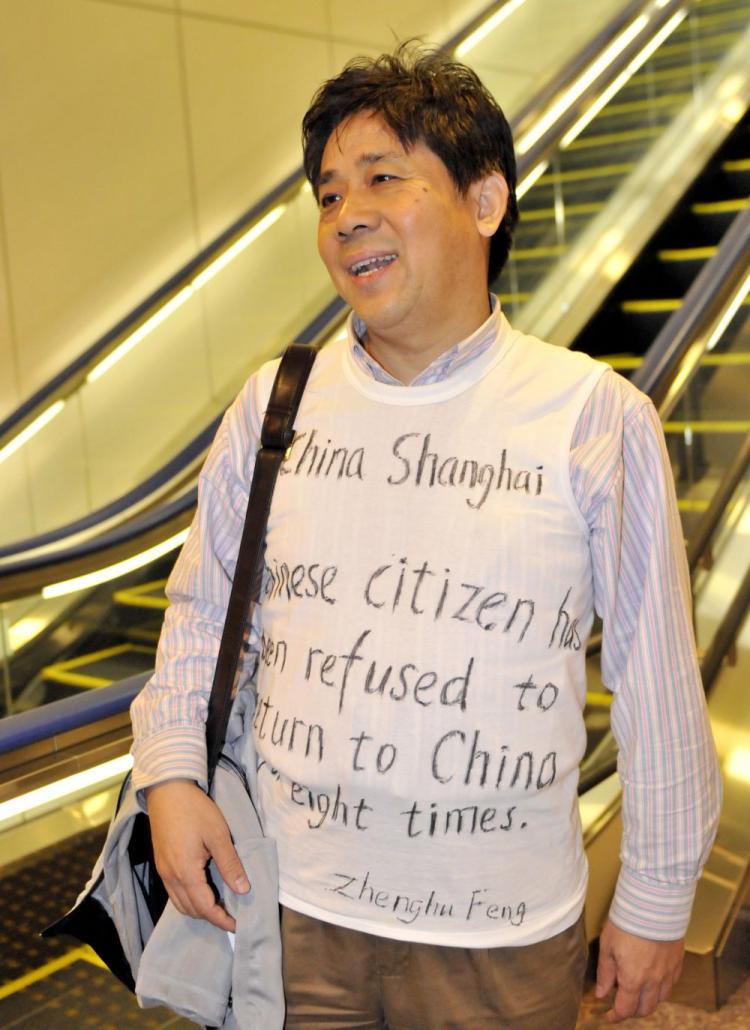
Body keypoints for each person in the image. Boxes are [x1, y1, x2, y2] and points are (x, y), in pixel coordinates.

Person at [131, 44, 721, 1028]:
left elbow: (654, 676)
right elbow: (202, 609)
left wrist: (657, 896)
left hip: (498, 931)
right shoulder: (275, 404)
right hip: (288, 907)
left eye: (381, 179)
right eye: (326, 195)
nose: (345, 214)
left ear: (484, 202)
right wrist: (171, 779)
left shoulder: (594, 417)